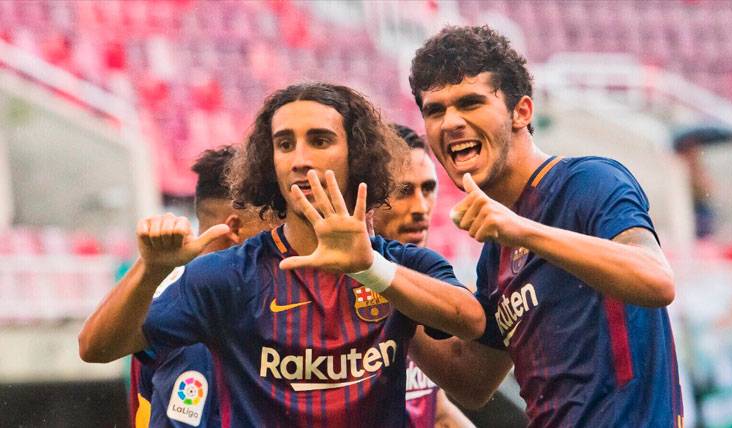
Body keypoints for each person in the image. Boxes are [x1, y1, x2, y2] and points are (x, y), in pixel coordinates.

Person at [79, 82, 485, 427]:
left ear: (358, 155)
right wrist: (150, 270)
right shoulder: (229, 276)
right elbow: (96, 349)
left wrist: (369, 268)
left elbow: (470, 321)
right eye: (284, 144)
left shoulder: (403, 265)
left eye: (320, 140)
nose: (300, 159)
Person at [406, 25, 684, 427]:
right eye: (435, 110)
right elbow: (472, 382)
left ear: (521, 112)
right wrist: (376, 277)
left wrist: (523, 230)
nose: (450, 122)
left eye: (469, 103)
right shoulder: (495, 253)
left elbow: (656, 280)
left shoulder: (588, 182)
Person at [129, 145, 279, 427]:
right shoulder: (202, 316)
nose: (284, 238)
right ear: (235, 229)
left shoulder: (166, 301)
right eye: (277, 220)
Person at [372, 124, 473, 428]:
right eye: (404, 191)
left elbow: (434, 408)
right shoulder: (336, 295)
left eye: (427, 189)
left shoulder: (431, 287)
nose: (421, 208)